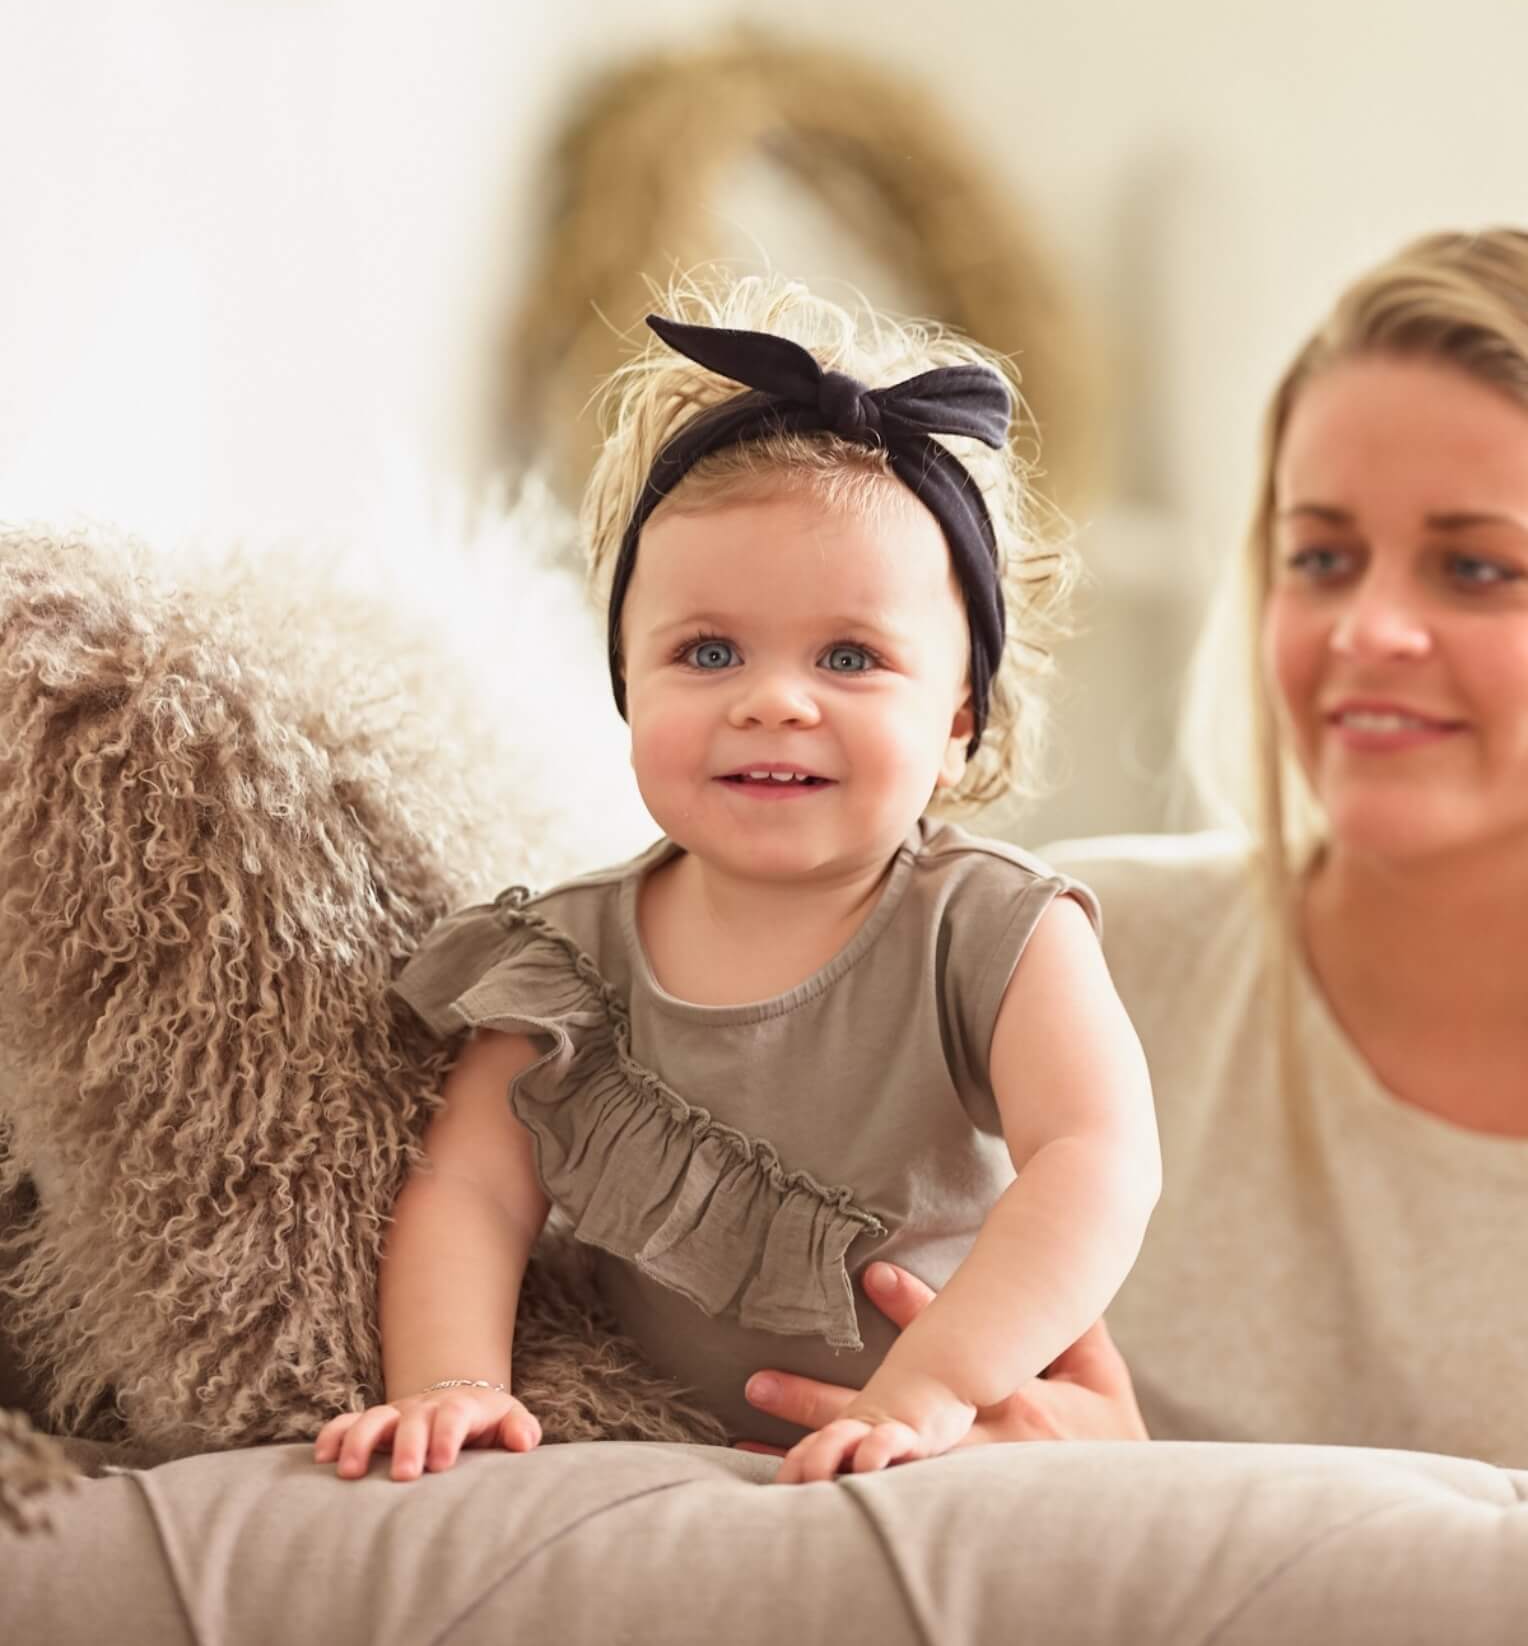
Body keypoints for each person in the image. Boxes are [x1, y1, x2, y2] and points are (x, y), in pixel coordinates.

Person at [313, 273, 1161, 1485]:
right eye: (706, 650)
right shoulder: (567, 957)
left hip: (967, 1441)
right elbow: (470, 1191)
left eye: (850, 655)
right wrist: (451, 1385)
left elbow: (1098, 1156)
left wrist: (932, 1388)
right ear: (626, 682)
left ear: (960, 713)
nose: (773, 698)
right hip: (680, 1469)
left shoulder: (986, 924)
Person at [750, 227, 1528, 1471]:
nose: (1369, 627)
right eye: (1319, 557)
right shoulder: (1048, 953)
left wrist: (1146, 1502)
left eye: (1478, 568)